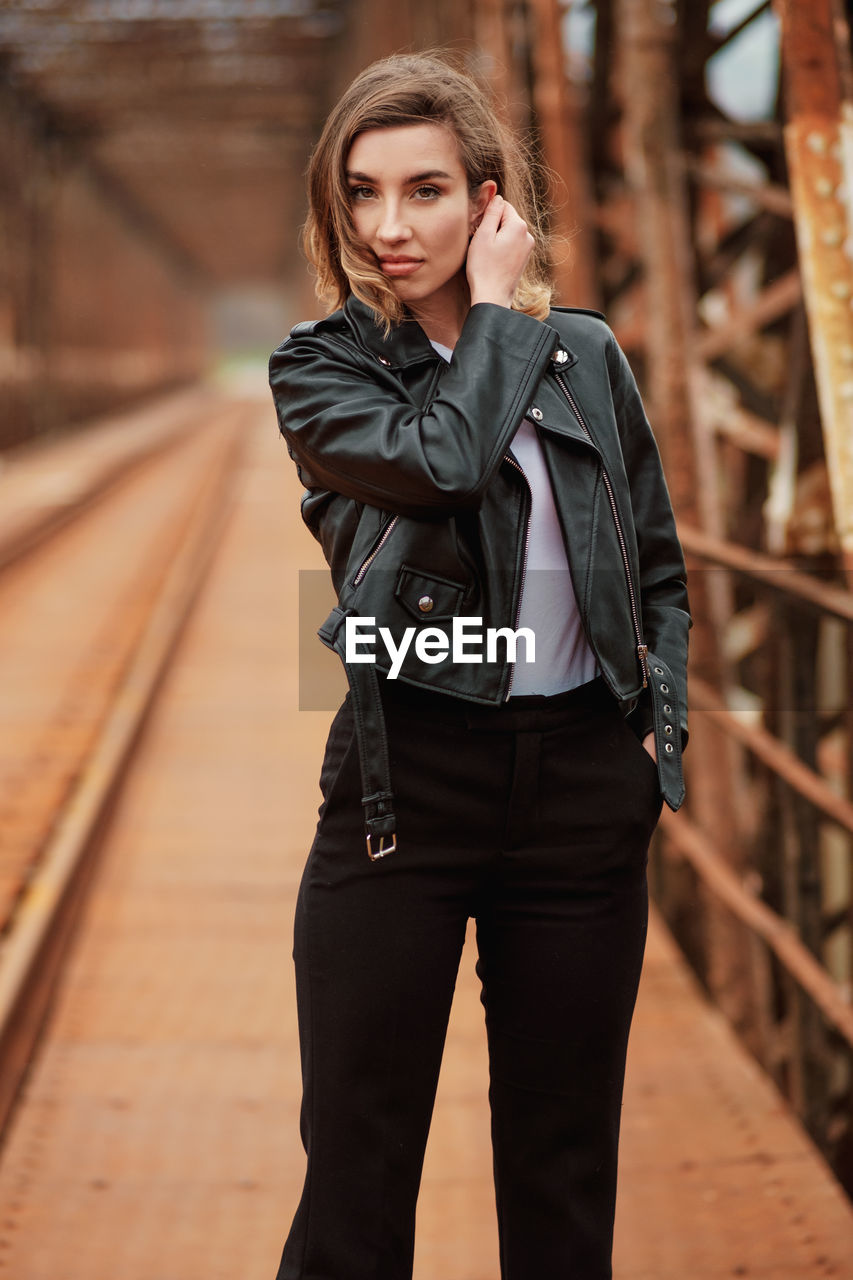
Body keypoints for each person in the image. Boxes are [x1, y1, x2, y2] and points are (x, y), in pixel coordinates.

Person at [269, 49, 690, 1280]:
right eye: (361, 193)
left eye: (425, 190)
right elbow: (445, 459)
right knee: (356, 1182)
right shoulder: (323, 368)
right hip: (407, 793)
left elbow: (654, 562)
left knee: (563, 1185)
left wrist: (654, 730)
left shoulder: (590, 359)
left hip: (578, 801)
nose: (389, 226)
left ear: (488, 198)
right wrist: (502, 314)